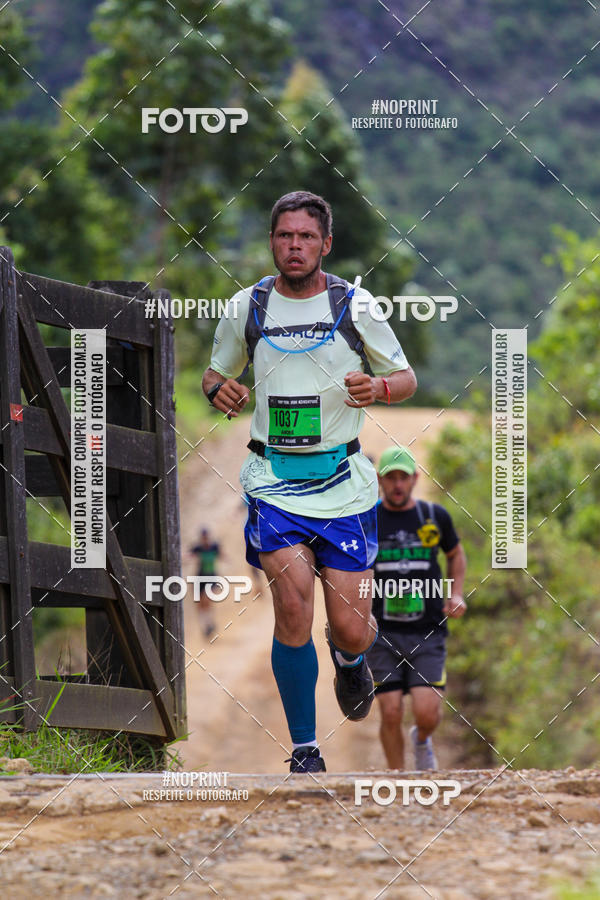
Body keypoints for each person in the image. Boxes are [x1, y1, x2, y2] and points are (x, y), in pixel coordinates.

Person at [202, 191, 417, 773]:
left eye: (304, 237)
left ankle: (350, 662)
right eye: (283, 236)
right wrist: (219, 390)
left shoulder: (355, 305)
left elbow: (405, 376)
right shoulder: (246, 307)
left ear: (325, 244)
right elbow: (215, 373)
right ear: (272, 242)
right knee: (292, 606)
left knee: (350, 627)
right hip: (272, 480)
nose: (293, 246)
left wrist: (381, 389)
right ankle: (304, 749)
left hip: (343, 483)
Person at [367, 445, 467, 770]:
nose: (398, 484)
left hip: (428, 630)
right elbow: (352, 567)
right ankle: (397, 781)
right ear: (380, 479)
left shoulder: (434, 517)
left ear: (415, 479)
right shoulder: (367, 520)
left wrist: (456, 594)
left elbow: (455, 554)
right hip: (383, 632)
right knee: (390, 710)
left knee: (427, 712)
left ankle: (422, 739)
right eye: (391, 477)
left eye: (404, 477)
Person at [189, 528, 221, 637]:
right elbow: (189, 555)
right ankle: (206, 625)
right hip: (200, 578)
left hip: (211, 578)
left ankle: (209, 623)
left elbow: (221, 555)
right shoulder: (198, 548)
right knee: (200, 605)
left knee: (207, 600)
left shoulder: (214, 547)